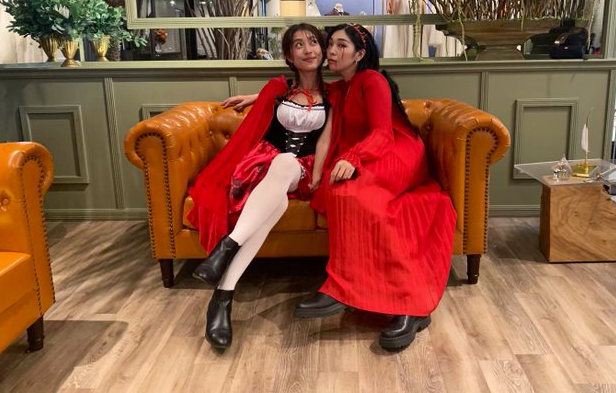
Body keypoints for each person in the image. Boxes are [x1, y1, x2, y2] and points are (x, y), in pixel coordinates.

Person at [227, 23, 457, 351]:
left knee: (351, 193)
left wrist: (353, 157)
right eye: (330, 45)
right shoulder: (342, 87)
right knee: (338, 191)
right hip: (373, 152)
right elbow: (301, 91)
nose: (331, 52)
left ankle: (373, 294)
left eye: (340, 46)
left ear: (359, 54)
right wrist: (257, 98)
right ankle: (347, 285)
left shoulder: (372, 80)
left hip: (398, 151)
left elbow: (383, 133)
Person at [187, 23, 330, 350]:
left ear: (323, 51)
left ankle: (226, 248)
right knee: (275, 204)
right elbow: (271, 99)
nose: (308, 49)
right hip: (268, 164)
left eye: (313, 42)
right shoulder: (278, 89)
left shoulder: (335, 95)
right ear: (289, 56)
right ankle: (222, 296)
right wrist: (258, 97)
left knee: (286, 162)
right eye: (298, 45)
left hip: (305, 168)